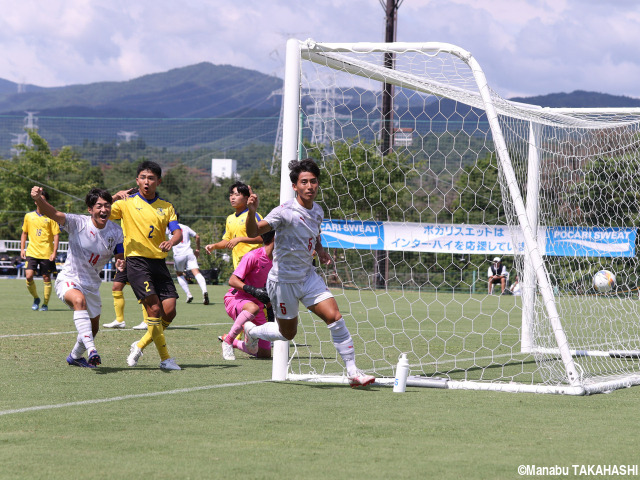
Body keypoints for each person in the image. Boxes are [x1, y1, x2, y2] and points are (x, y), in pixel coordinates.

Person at [243, 158, 375, 388]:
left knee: (334, 317)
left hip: (307, 276)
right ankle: (253, 331)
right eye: (304, 182)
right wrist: (251, 212)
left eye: (313, 181)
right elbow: (254, 230)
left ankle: (353, 372)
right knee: (287, 334)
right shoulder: (284, 212)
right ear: (295, 186)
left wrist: (321, 251)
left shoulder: (318, 210)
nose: (310, 186)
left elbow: (314, 234)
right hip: (283, 282)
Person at [30, 185, 124, 368]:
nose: (104, 209)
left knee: (94, 326)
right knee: (78, 301)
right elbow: (54, 213)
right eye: (99, 206)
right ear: (90, 210)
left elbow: (120, 255)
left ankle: (74, 356)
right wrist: (39, 199)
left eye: (107, 205)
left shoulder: (116, 232)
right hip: (69, 279)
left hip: (92, 284)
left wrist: (121, 262)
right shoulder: (78, 223)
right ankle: (92, 351)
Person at [111, 160, 183, 371]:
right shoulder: (125, 203)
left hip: (158, 263)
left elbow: (177, 231)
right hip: (137, 262)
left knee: (169, 312)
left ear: (158, 181)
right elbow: (98, 212)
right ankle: (166, 359)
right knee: (154, 308)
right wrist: (115, 195)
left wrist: (171, 241)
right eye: (143, 177)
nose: (146, 182)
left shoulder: (166, 207)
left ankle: (140, 344)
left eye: (151, 178)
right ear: (137, 180)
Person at [218, 230, 275, 360]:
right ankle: (228, 342)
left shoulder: (279, 261)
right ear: (275, 238)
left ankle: (232, 340)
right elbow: (232, 280)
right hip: (236, 299)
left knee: (264, 355)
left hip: (258, 305)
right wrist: (254, 290)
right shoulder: (253, 256)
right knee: (252, 308)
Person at [205, 181, 263, 268]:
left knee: (233, 282)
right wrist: (214, 246)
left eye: (236, 195)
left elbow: (262, 238)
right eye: (231, 195)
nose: (232, 198)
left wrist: (240, 239)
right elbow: (227, 241)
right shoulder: (230, 218)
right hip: (238, 265)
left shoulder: (253, 215)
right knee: (234, 281)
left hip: (254, 264)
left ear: (246, 198)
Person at [20, 189, 60, 311]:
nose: (41, 202)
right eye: (39, 199)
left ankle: (45, 304)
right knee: (28, 276)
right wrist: (22, 249)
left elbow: (56, 235)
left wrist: (54, 252)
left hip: (46, 253)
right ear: (36, 201)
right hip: (32, 251)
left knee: (46, 277)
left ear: (46, 202)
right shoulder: (29, 216)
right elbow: (24, 233)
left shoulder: (51, 217)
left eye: (43, 200)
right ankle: (36, 298)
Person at [167, 218, 209, 305]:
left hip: (179, 255)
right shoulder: (185, 227)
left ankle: (188, 294)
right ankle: (204, 291)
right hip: (189, 253)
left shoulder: (168, 229)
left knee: (179, 274)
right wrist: (197, 249)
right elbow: (197, 236)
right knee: (196, 273)